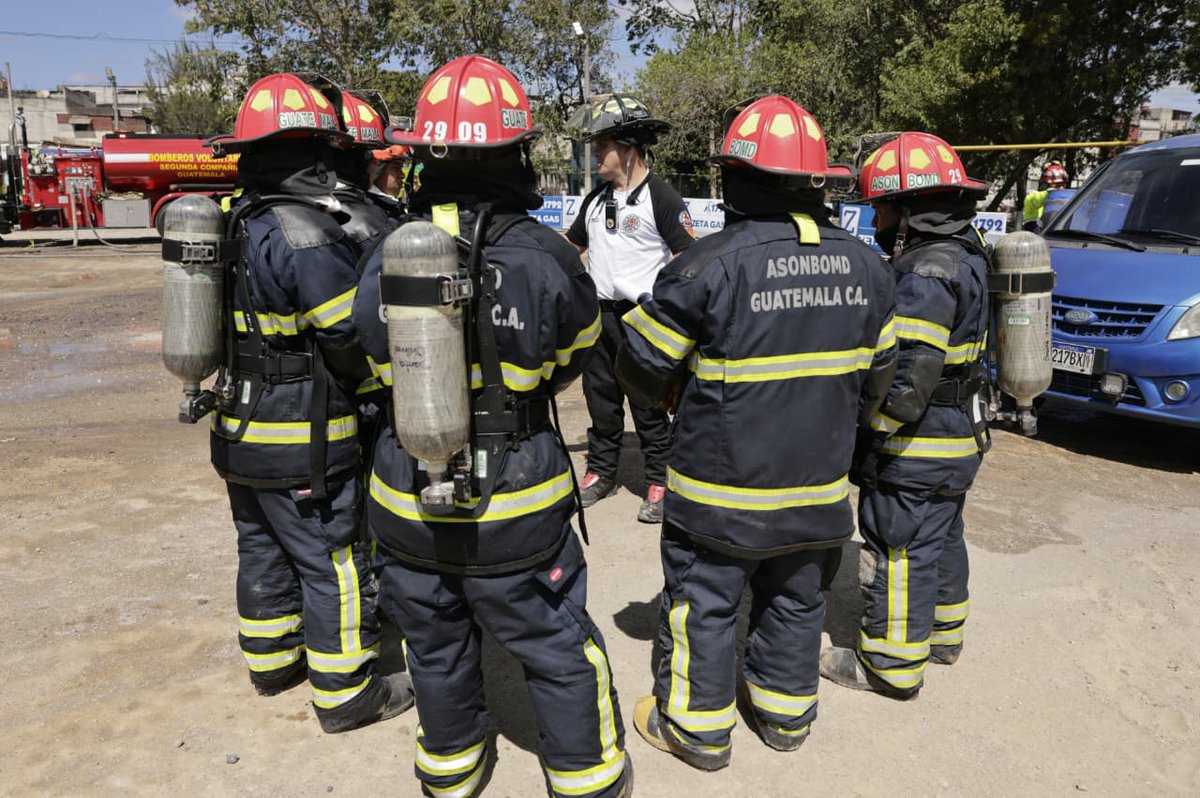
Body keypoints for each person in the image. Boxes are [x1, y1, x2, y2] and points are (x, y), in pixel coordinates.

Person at [352, 56, 630, 798]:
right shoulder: (544, 253)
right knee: (554, 644)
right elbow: (575, 349)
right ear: (517, 153)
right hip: (518, 501)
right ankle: (588, 778)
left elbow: (365, 355)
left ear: (425, 158)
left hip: (407, 498)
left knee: (435, 648)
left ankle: (451, 774)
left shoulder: (384, 250)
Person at [616, 95, 897, 769]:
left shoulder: (706, 265)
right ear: (817, 182)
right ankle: (785, 717)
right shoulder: (869, 268)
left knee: (704, 607)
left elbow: (639, 366)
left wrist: (677, 394)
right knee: (799, 600)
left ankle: (695, 729)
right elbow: (879, 380)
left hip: (719, 495)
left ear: (737, 179)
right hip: (818, 492)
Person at [204, 73, 414, 732]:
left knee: (260, 545)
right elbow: (344, 335)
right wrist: (386, 384)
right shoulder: (306, 231)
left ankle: (271, 662)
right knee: (335, 559)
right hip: (303, 435)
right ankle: (347, 690)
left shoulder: (236, 215)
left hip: (238, 423)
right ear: (317, 148)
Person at [819, 131, 991, 699]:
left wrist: (871, 434)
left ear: (910, 206)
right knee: (943, 533)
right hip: (961, 434)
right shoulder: (969, 253)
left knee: (900, 543)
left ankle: (889, 665)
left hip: (919, 442)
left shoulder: (924, 271)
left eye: (882, 207)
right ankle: (944, 633)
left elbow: (909, 381)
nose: (876, 220)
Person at [567, 94, 694, 523]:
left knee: (649, 405)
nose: (596, 153)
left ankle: (659, 479)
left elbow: (687, 257)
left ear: (628, 148)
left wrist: (670, 316)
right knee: (600, 402)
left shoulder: (662, 197)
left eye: (603, 145)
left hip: (643, 322)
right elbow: (572, 247)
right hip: (598, 318)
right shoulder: (595, 199)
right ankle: (601, 471)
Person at [1022, 160, 1069, 231]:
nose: (1061, 188)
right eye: (1057, 186)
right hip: (1033, 232)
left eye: (1063, 185)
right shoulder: (1033, 197)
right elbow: (1034, 198)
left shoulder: (1062, 197)